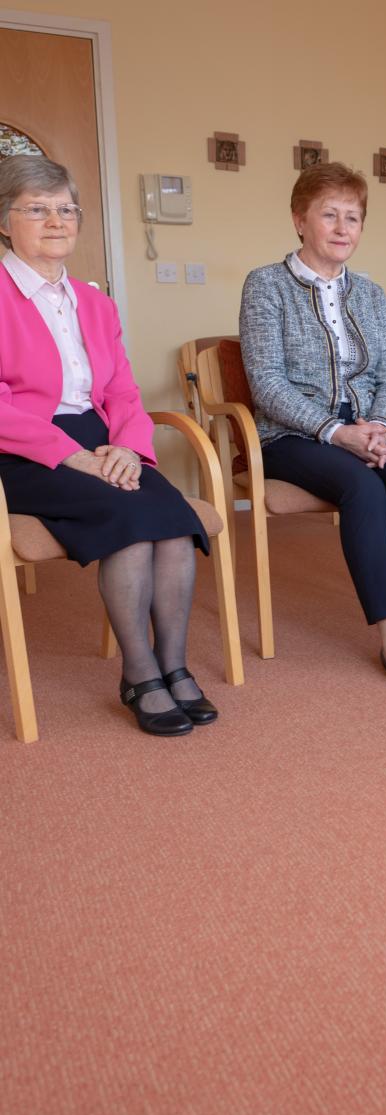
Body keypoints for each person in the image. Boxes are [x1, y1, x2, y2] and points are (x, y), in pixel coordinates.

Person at [0, 155, 214, 736]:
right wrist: (73, 456)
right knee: (129, 514)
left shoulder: (96, 302)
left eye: (66, 208)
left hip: (102, 440)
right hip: (21, 451)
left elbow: (121, 388)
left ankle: (173, 664)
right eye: (37, 209)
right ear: (5, 220)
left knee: (171, 519)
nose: (56, 221)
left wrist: (129, 450)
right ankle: (139, 672)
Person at [239, 162, 386, 687]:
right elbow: (267, 383)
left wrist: (382, 427)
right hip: (291, 434)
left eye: (354, 218)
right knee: (362, 488)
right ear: (299, 220)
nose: (343, 229)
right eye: (330, 215)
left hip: (369, 427)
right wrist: (335, 432)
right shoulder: (266, 286)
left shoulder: (371, 293)